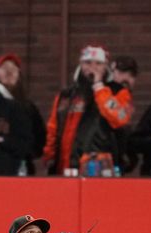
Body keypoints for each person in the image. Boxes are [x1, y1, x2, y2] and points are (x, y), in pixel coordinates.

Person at [42, 45, 132, 175]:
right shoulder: (66, 95)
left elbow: (119, 118)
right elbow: (53, 128)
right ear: (80, 65)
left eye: (98, 63)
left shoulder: (118, 92)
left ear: (105, 67)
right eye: (88, 62)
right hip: (66, 168)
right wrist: (49, 156)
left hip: (100, 169)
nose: (92, 67)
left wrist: (99, 88)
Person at [0, 53, 45, 174]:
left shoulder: (28, 107)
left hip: (22, 168)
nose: (9, 72)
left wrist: (26, 152)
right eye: (5, 69)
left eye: (13, 69)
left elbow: (40, 139)